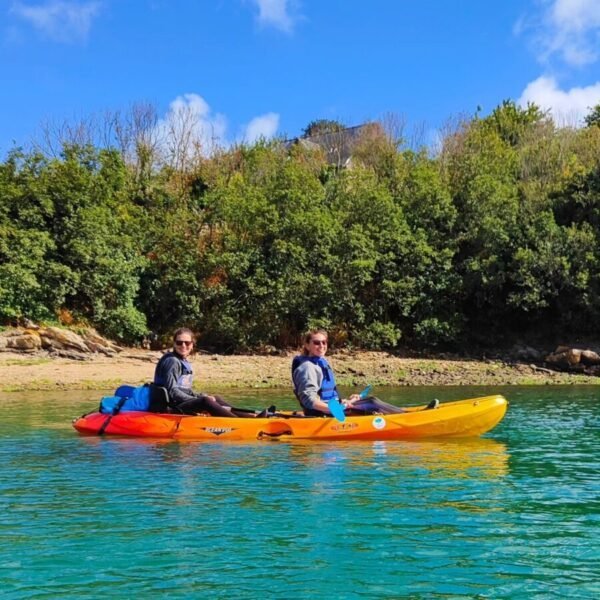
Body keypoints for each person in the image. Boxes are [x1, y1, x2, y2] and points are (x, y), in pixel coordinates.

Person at [291, 329, 439, 416]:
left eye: (324, 342)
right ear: (307, 345)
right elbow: (309, 400)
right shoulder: (308, 367)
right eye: (316, 343)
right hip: (322, 412)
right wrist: (336, 408)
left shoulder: (322, 362)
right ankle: (409, 417)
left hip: (334, 407)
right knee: (372, 402)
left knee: (370, 401)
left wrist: (346, 401)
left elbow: (329, 394)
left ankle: (406, 414)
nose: (321, 346)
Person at [154, 328, 258, 417]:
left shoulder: (181, 360)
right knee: (206, 401)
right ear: (174, 344)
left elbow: (185, 390)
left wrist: (200, 395)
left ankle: (248, 416)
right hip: (171, 407)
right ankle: (237, 423)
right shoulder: (172, 361)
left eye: (187, 343)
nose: (183, 345)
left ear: (192, 344)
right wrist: (199, 399)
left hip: (179, 403)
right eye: (179, 342)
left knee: (215, 398)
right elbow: (172, 391)